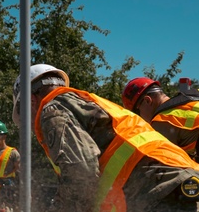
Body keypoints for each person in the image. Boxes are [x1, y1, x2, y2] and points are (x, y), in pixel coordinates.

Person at [12, 64, 199, 212]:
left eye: (23, 113)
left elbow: (81, 172)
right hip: (178, 181)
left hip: (157, 189)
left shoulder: (52, 110)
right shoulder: (86, 103)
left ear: (31, 101)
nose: (28, 123)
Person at [122, 77, 199, 160]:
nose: (139, 119)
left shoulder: (162, 121)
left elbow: (161, 164)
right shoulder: (192, 96)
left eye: (137, 113)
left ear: (147, 100)